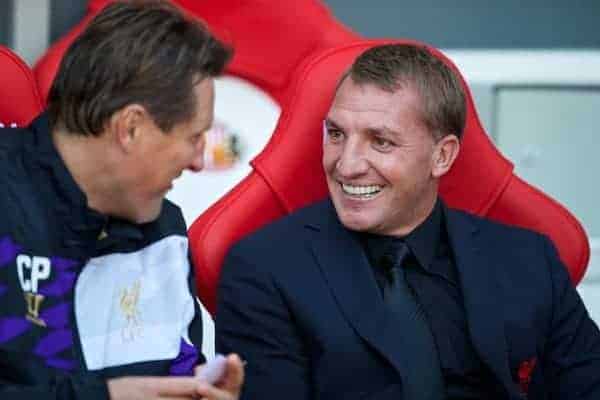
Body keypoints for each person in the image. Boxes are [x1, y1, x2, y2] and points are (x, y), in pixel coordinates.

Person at [215, 44, 600, 399]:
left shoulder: (530, 260)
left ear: (442, 157)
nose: (346, 165)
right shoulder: (262, 269)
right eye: (335, 134)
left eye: (380, 141)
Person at [0, 1, 244, 399]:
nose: (200, 161)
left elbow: (186, 368)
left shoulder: (163, 232)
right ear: (131, 128)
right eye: (193, 137)